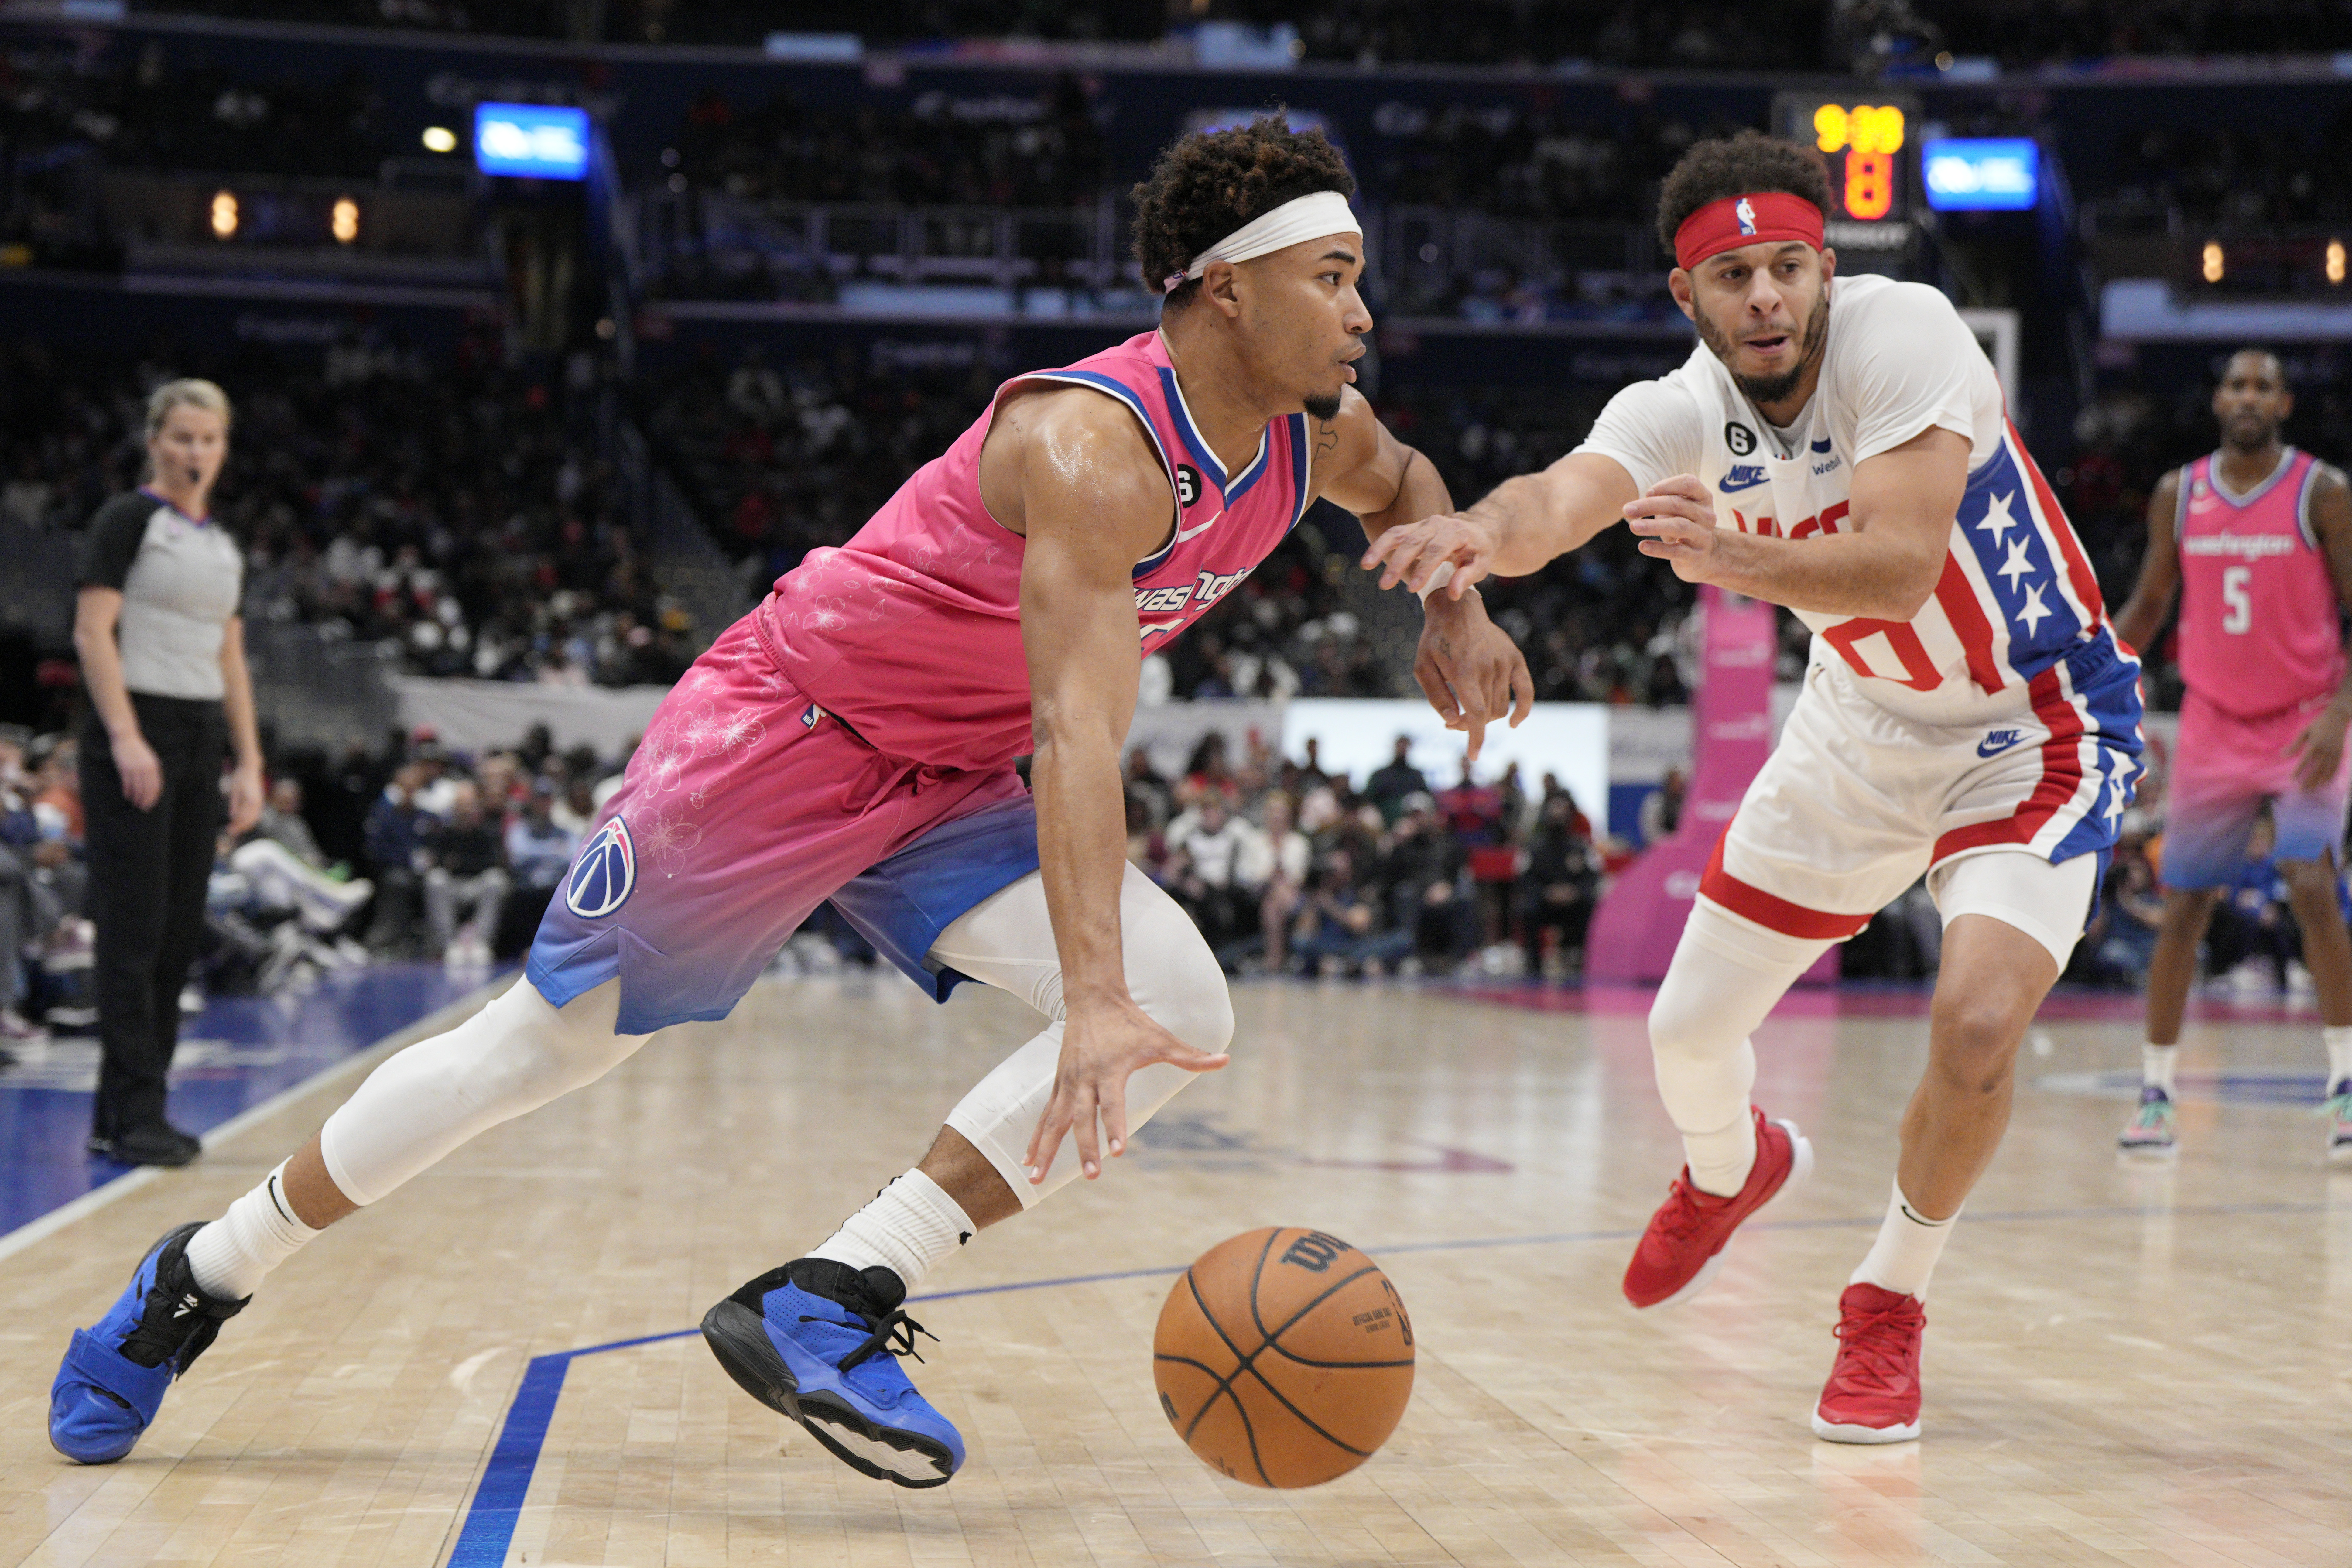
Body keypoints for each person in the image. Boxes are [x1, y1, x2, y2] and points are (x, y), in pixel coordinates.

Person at [49, 117, 1532, 1481]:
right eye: (1332, 277)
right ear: (1222, 289)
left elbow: (1405, 484)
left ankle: (830, 1296)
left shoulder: (1310, 429)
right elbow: (1076, 729)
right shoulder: (1092, 445)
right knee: (538, 1052)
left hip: (939, 781)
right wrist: (1080, 992)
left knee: (1179, 1006)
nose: (1361, 313)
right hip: (787, 735)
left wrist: (1450, 597)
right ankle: (201, 1277)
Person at [1367, 130, 2144, 1444]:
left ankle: (1887, 1298)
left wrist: (1728, 558)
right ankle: (1733, 1170)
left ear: (1824, 267)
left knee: (1972, 1028)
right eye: (1733, 276)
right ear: (1688, 296)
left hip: (2037, 725)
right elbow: (1563, 496)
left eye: (1787, 267)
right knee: (1683, 1037)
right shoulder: (1673, 411)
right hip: (1858, 732)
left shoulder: (1904, 333)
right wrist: (1478, 541)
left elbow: (1898, 566)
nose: (1766, 297)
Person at [2106, 349, 2352, 1161]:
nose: (2248, 397)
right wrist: (2082, 669)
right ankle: (2156, 1093)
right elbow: (2147, 604)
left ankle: (2346, 1085)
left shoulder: (2323, 491)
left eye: (2262, 386)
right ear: (2218, 400)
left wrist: (2340, 713)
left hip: (2304, 722)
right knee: (2185, 908)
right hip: (2213, 722)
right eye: (2235, 385)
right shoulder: (2181, 494)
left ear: (2284, 402)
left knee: (2312, 885)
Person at [69, 380, 265, 1167]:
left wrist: (248, 759)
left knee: (179, 934)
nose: (195, 452)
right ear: (155, 440)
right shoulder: (127, 521)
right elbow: (91, 632)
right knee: (133, 927)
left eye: (208, 440)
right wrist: (124, 735)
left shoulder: (223, 544)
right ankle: (132, 1112)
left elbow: (232, 658)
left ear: (223, 449)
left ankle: (128, 1109)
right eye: (181, 437)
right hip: (136, 730)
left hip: (198, 736)